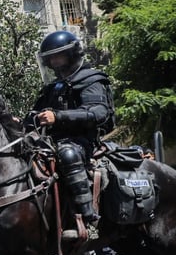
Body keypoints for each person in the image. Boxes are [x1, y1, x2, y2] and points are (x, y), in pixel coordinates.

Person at [25, 29, 115, 240]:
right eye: (51, 58)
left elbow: (98, 112)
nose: (54, 62)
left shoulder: (90, 79)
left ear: (72, 55)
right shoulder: (52, 87)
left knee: (68, 154)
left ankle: (88, 217)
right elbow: (38, 113)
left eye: (59, 56)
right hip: (50, 140)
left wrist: (58, 117)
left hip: (81, 141)